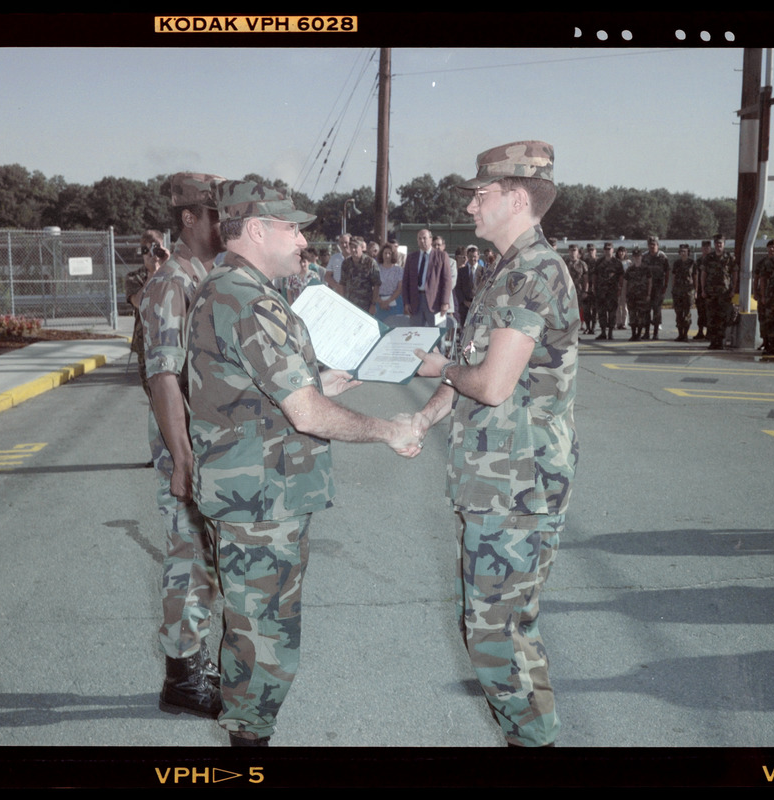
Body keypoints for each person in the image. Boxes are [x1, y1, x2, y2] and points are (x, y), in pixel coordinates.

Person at [186, 180, 421, 747]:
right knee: (263, 645)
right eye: (292, 228)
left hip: (259, 495)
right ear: (259, 231)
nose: (302, 239)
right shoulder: (247, 300)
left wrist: (323, 379)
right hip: (260, 503)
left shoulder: (236, 290)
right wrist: (389, 429)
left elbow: (259, 389)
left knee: (256, 633)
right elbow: (308, 415)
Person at [412, 140, 579, 748]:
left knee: (492, 638)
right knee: (509, 632)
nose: (471, 204)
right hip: (502, 482)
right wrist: (424, 419)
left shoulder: (533, 271)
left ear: (515, 197)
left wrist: (437, 370)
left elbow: (487, 380)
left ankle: (535, 745)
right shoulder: (509, 268)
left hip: (517, 485)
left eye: (480, 194)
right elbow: (472, 365)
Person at [140, 172, 226, 719]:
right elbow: (162, 376)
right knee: (188, 560)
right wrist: (182, 457)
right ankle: (182, 678)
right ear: (189, 218)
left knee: (205, 560)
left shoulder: (206, 275)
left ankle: (192, 663)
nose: (226, 224)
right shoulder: (173, 281)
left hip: (208, 443)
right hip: (188, 446)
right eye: (215, 214)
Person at [126, 229, 170, 401]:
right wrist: (153, 274)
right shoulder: (134, 277)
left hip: (171, 340)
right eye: (146, 250)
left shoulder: (173, 271)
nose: (151, 255)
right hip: (146, 343)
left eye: (155, 249)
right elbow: (138, 301)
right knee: (154, 397)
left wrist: (169, 264)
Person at [402, 228, 452, 326]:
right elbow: (405, 282)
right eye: (419, 239)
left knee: (438, 335)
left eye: (424, 238)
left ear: (430, 239)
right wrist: (406, 302)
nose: (422, 241)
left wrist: (445, 302)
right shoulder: (411, 257)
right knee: (416, 335)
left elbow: (447, 281)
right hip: (416, 302)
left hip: (436, 303)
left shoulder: (441, 256)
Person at [699, 233, 738, 350]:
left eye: (720, 243)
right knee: (711, 317)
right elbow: (703, 274)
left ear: (724, 244)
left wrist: (733, 289)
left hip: (724, 293)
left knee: (722, 317)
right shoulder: (708, 258)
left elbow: (735, 274)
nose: (718, 245)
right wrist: (703, 289)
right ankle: (713, 341)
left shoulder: (730, 258)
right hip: (711, 292)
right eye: (716, 243)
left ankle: (720, 341)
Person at [340, 235, 381, 314]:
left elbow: (376, 285)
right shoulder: (346, 263)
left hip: (366, 306)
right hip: (350, 305)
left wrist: (373, 304)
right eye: (351, 247)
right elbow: (342, 284)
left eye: (355, 247)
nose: (353, 250)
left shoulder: (370, 262)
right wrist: (343, 302)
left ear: (361, 248)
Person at [592, 242, 624, 340]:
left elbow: (621, 276)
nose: (607, 251)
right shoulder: (599, 261)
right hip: (601, 291)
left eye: (609, 249)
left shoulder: (617, 262)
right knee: (601, 312)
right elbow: (595, 275)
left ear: (613, 250)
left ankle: (610, 332)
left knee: (612, 312)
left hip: (612, 291)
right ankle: (603, 332)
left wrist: (620, 288)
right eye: (606, 249)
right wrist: (594, 287)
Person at [643, 236, 670, 340]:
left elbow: (667, 272)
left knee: (657, 310)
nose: (652, 246)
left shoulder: (662, 256)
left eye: (654, 244)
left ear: (657, 245)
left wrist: (666, 285)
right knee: (646, 310)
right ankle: (646, 332)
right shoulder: (644, 256)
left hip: (658, 287)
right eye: (650, 244)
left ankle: (655, 333)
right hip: (646, 287)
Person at [623, 247, 652, 341]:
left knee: (641, 316)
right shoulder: (630, 269)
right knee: (632, 315)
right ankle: (633, 334)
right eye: (635, 256)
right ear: (633, 257)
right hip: (631, 296)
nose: (637, 258)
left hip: (642, 296)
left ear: (641, 257)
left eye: (638, 256)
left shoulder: (646, 269)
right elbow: (625, 282)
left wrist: (648, 294)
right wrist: (624, 294)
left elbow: (650, 282)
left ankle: (639, 334)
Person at [670, 243, 697, 342]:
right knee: (678, 313)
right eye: (681, 251)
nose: (683, 253)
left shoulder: (692, 263)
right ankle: (680, 334)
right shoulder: (676, 263)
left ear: (688, 252)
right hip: (677, 291)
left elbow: (695, 277)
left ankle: (685, 334)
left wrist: (696, 291)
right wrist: (673, 289)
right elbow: (673, 277)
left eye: (685, 251)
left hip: (688, 291)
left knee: (687, 313)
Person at [753, 239, 774, 351]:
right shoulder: (762, 263)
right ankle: (765, 341)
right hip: (764, 295)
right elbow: (756, 278)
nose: (772, 249)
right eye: (770, 247)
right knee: (762, 318)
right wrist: (755, 292)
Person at [376, 241, 404, 321]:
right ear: (382, 254)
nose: (387, 255)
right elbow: (373, 287)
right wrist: (381, 302)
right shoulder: (376, 269)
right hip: (379, 302)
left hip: (395, 302)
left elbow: (399, 289)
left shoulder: (399, 270)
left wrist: (388, 301)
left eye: (389, 253)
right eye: (385, 253)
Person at [693, 240, 712, 340]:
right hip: (700, 290)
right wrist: (696, 290)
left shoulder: (712, 260)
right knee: (700, 312)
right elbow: (695, 276)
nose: (706, 249)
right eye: (704, 247)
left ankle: (709, 332)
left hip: (710, 290)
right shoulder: (699, 261)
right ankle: (700, 331)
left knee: (709, 312)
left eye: (708, 247)